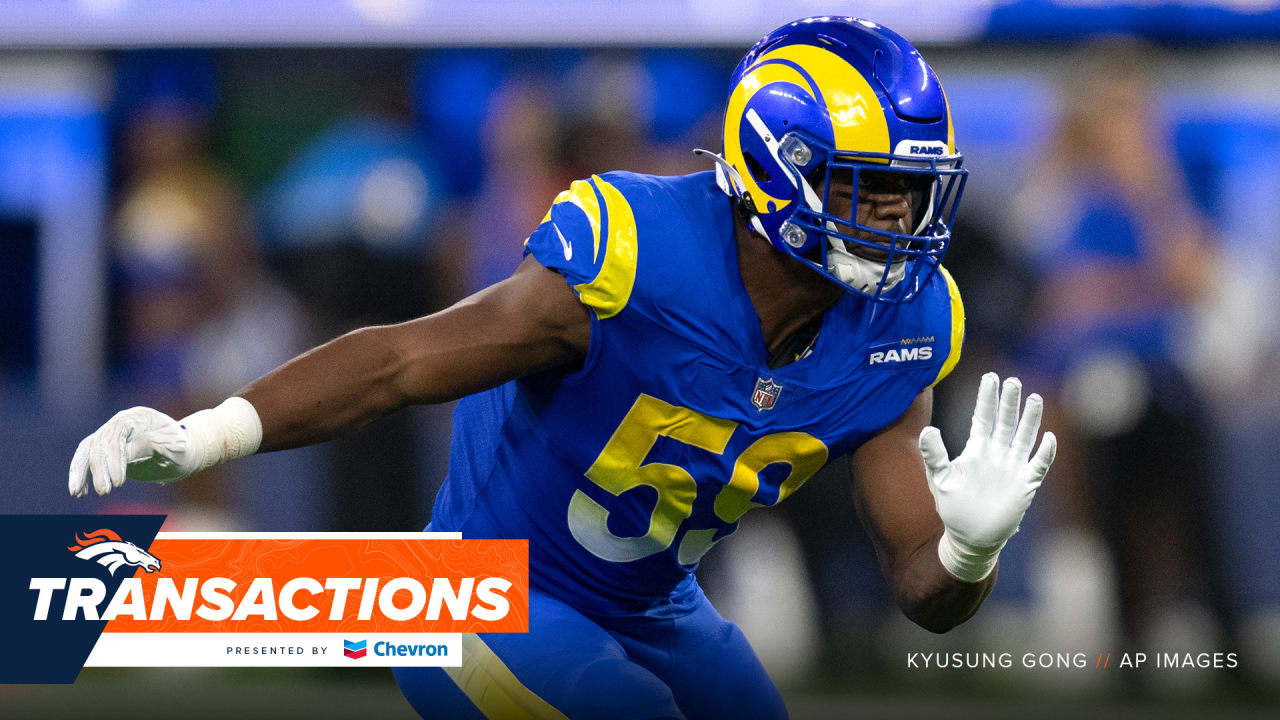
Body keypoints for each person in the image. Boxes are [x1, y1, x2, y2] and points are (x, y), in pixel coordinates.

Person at [69, 18, 1057, 720]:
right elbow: (401, 361)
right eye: (869, 190)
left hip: (655, 605)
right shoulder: (635, 253)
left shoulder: (907, 323)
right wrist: (205, 433)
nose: (899, 221)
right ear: (776, 165)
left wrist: (967, 555)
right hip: (477, 594)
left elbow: (920, 588)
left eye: (913, 192)